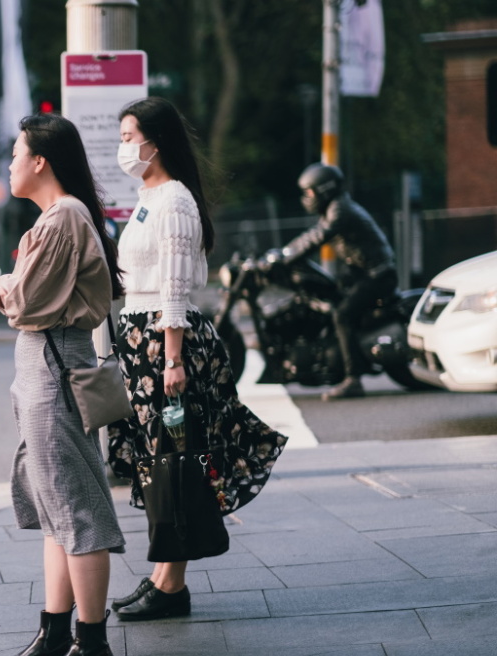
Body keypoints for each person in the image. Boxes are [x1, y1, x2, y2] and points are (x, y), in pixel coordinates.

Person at [105, 97, 288, 622]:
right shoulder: (147, 197)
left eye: (127, 137)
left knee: (175, 460)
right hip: (142, 341)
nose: (122, 147)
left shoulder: (175, 201)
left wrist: (173, 359)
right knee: (157, 461)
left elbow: (175, 287)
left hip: (167, 344)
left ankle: (172, 585)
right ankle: (164, 576)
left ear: (154, 143)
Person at [0, 113, 126, 656]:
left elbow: (25, 304)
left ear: (40, 160)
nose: (10, 165)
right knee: (56, 510)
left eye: (16, 153)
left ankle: (90, 642)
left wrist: (3, 284)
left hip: (52, 367)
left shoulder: (63, 216)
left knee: (76, 510)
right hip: (43, 368)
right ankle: (54, 632)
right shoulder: (57, 216)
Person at [277, 162, 397, 400]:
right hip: (363, 274)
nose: (307, 197)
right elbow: (313, 233)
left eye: (309, 192)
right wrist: (284, 253)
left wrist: (286, 257)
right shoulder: (335, 207)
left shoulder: (340, 210)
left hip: (377, 276)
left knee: (342, 315)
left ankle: (353, 380)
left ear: (324, 189)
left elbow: (319, 236)